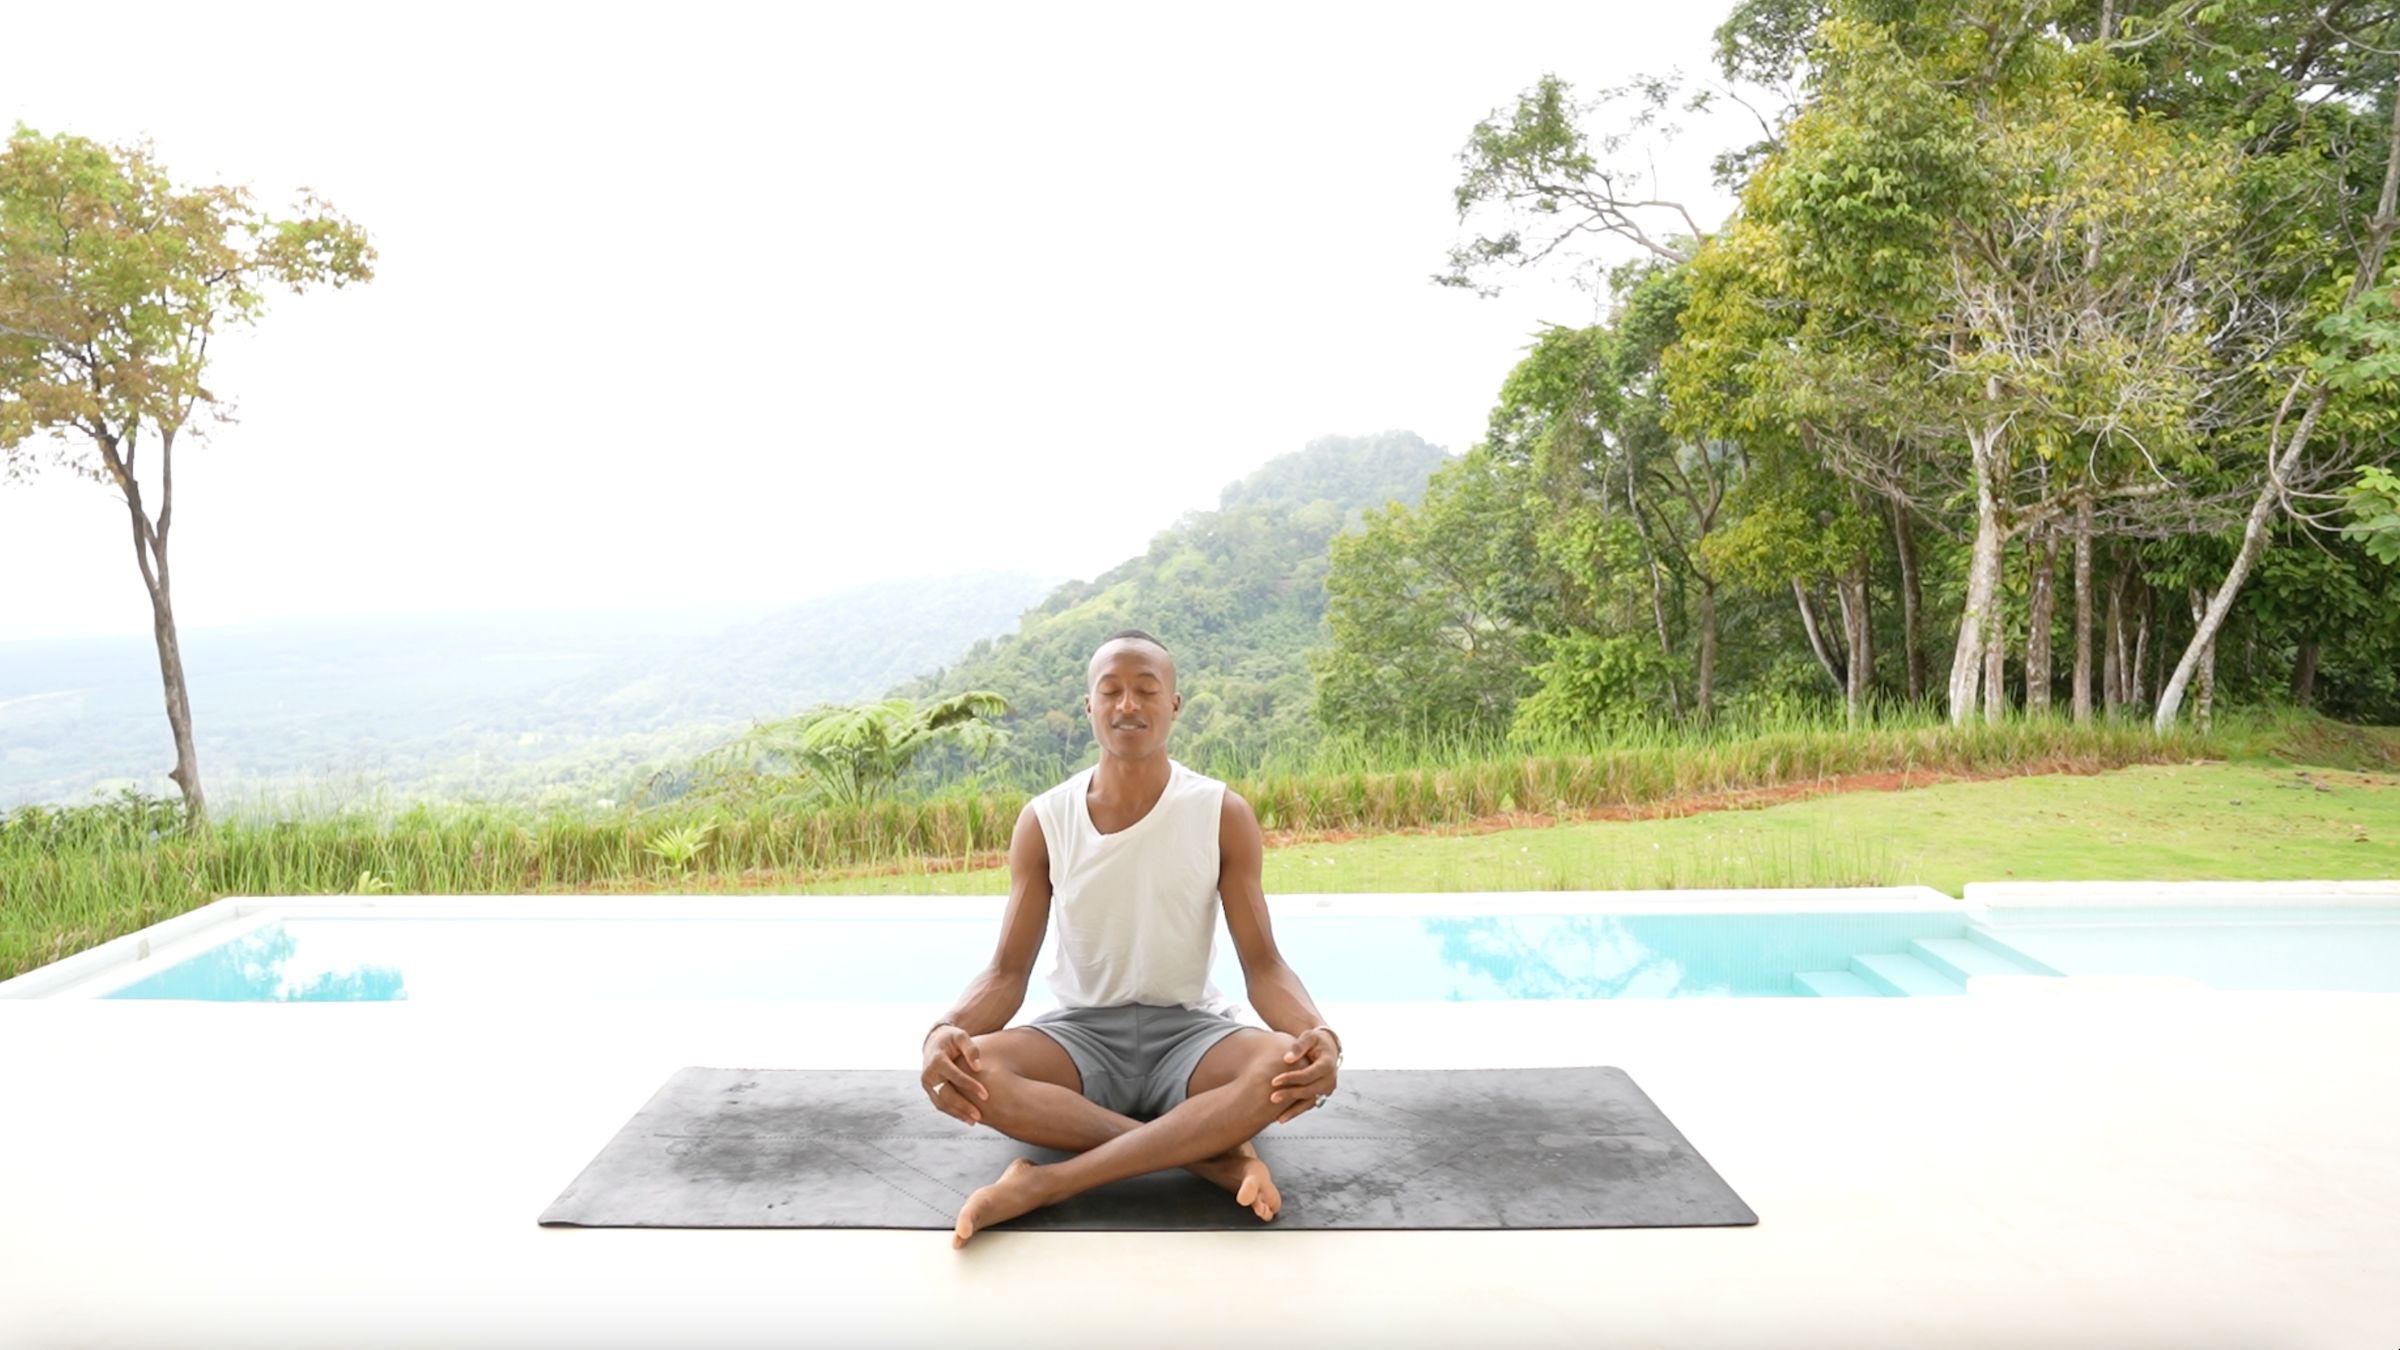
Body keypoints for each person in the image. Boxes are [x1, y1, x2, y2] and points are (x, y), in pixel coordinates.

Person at [919, 630, 1342, 1247]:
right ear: (1089, 706)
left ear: (1174, 705)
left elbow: (1265, 965)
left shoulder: (1222, 813)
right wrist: (943, 1030)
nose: (1127, 706)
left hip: (1192, 1033)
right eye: (1110, 691)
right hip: (1080, 1034)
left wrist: (1320, 1037)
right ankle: (1211, 1158)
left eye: (1147, 690)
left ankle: (1048, 1183)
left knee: (1281, 1065)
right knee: (975, 1069)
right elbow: (1007, 973)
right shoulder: (1044, 820)